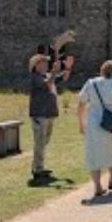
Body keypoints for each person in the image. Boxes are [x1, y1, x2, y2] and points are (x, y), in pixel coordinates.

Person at [77, 60, 112, 202]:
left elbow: (81, 103)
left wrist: (81, 122)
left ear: (101, 70)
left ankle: (98, 186)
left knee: (94, 152)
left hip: (94, 121)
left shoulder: (91, 83)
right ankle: (111, 179)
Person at [27, 51, 74, 182]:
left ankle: (38, 166)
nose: (46, 64)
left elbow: (63, 78)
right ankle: (38, 170)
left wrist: (68, 67)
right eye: (43, 62)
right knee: (40, 142)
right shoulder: (35, 77)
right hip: (39, 114)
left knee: (44, 141)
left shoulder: (47, 75)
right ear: (36, 65)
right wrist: (54, 70)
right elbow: (48, 83)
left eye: (46, 62)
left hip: (49, 114)